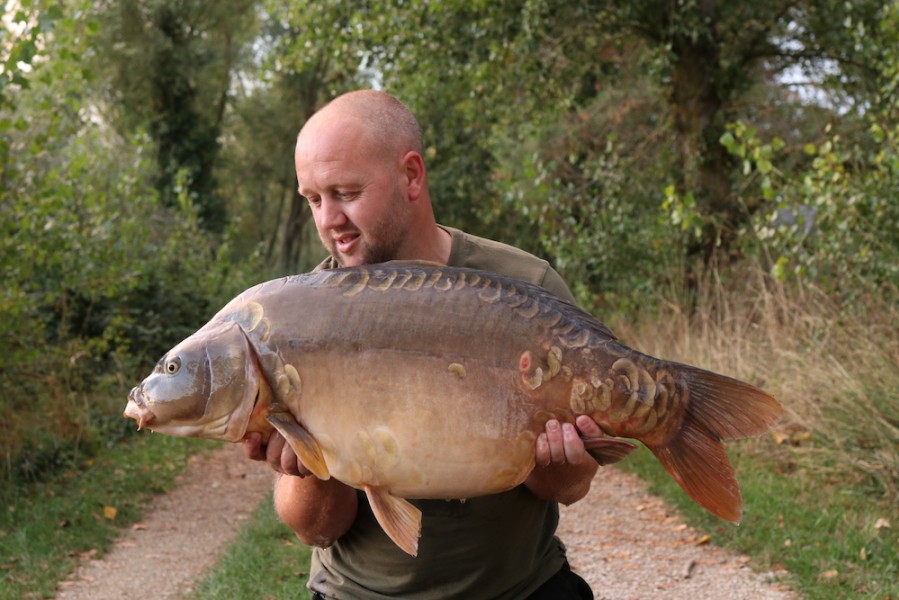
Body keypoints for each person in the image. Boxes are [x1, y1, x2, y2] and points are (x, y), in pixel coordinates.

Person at [242, 89, 603, 599]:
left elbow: (568, 489)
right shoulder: (299, 318)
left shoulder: (526, 289)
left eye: (345, 192)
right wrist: (310, 461)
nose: (328, 220)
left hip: (520, 589)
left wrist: (561, 463)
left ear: (411, 175)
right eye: (314, 200)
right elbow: (317, 528)